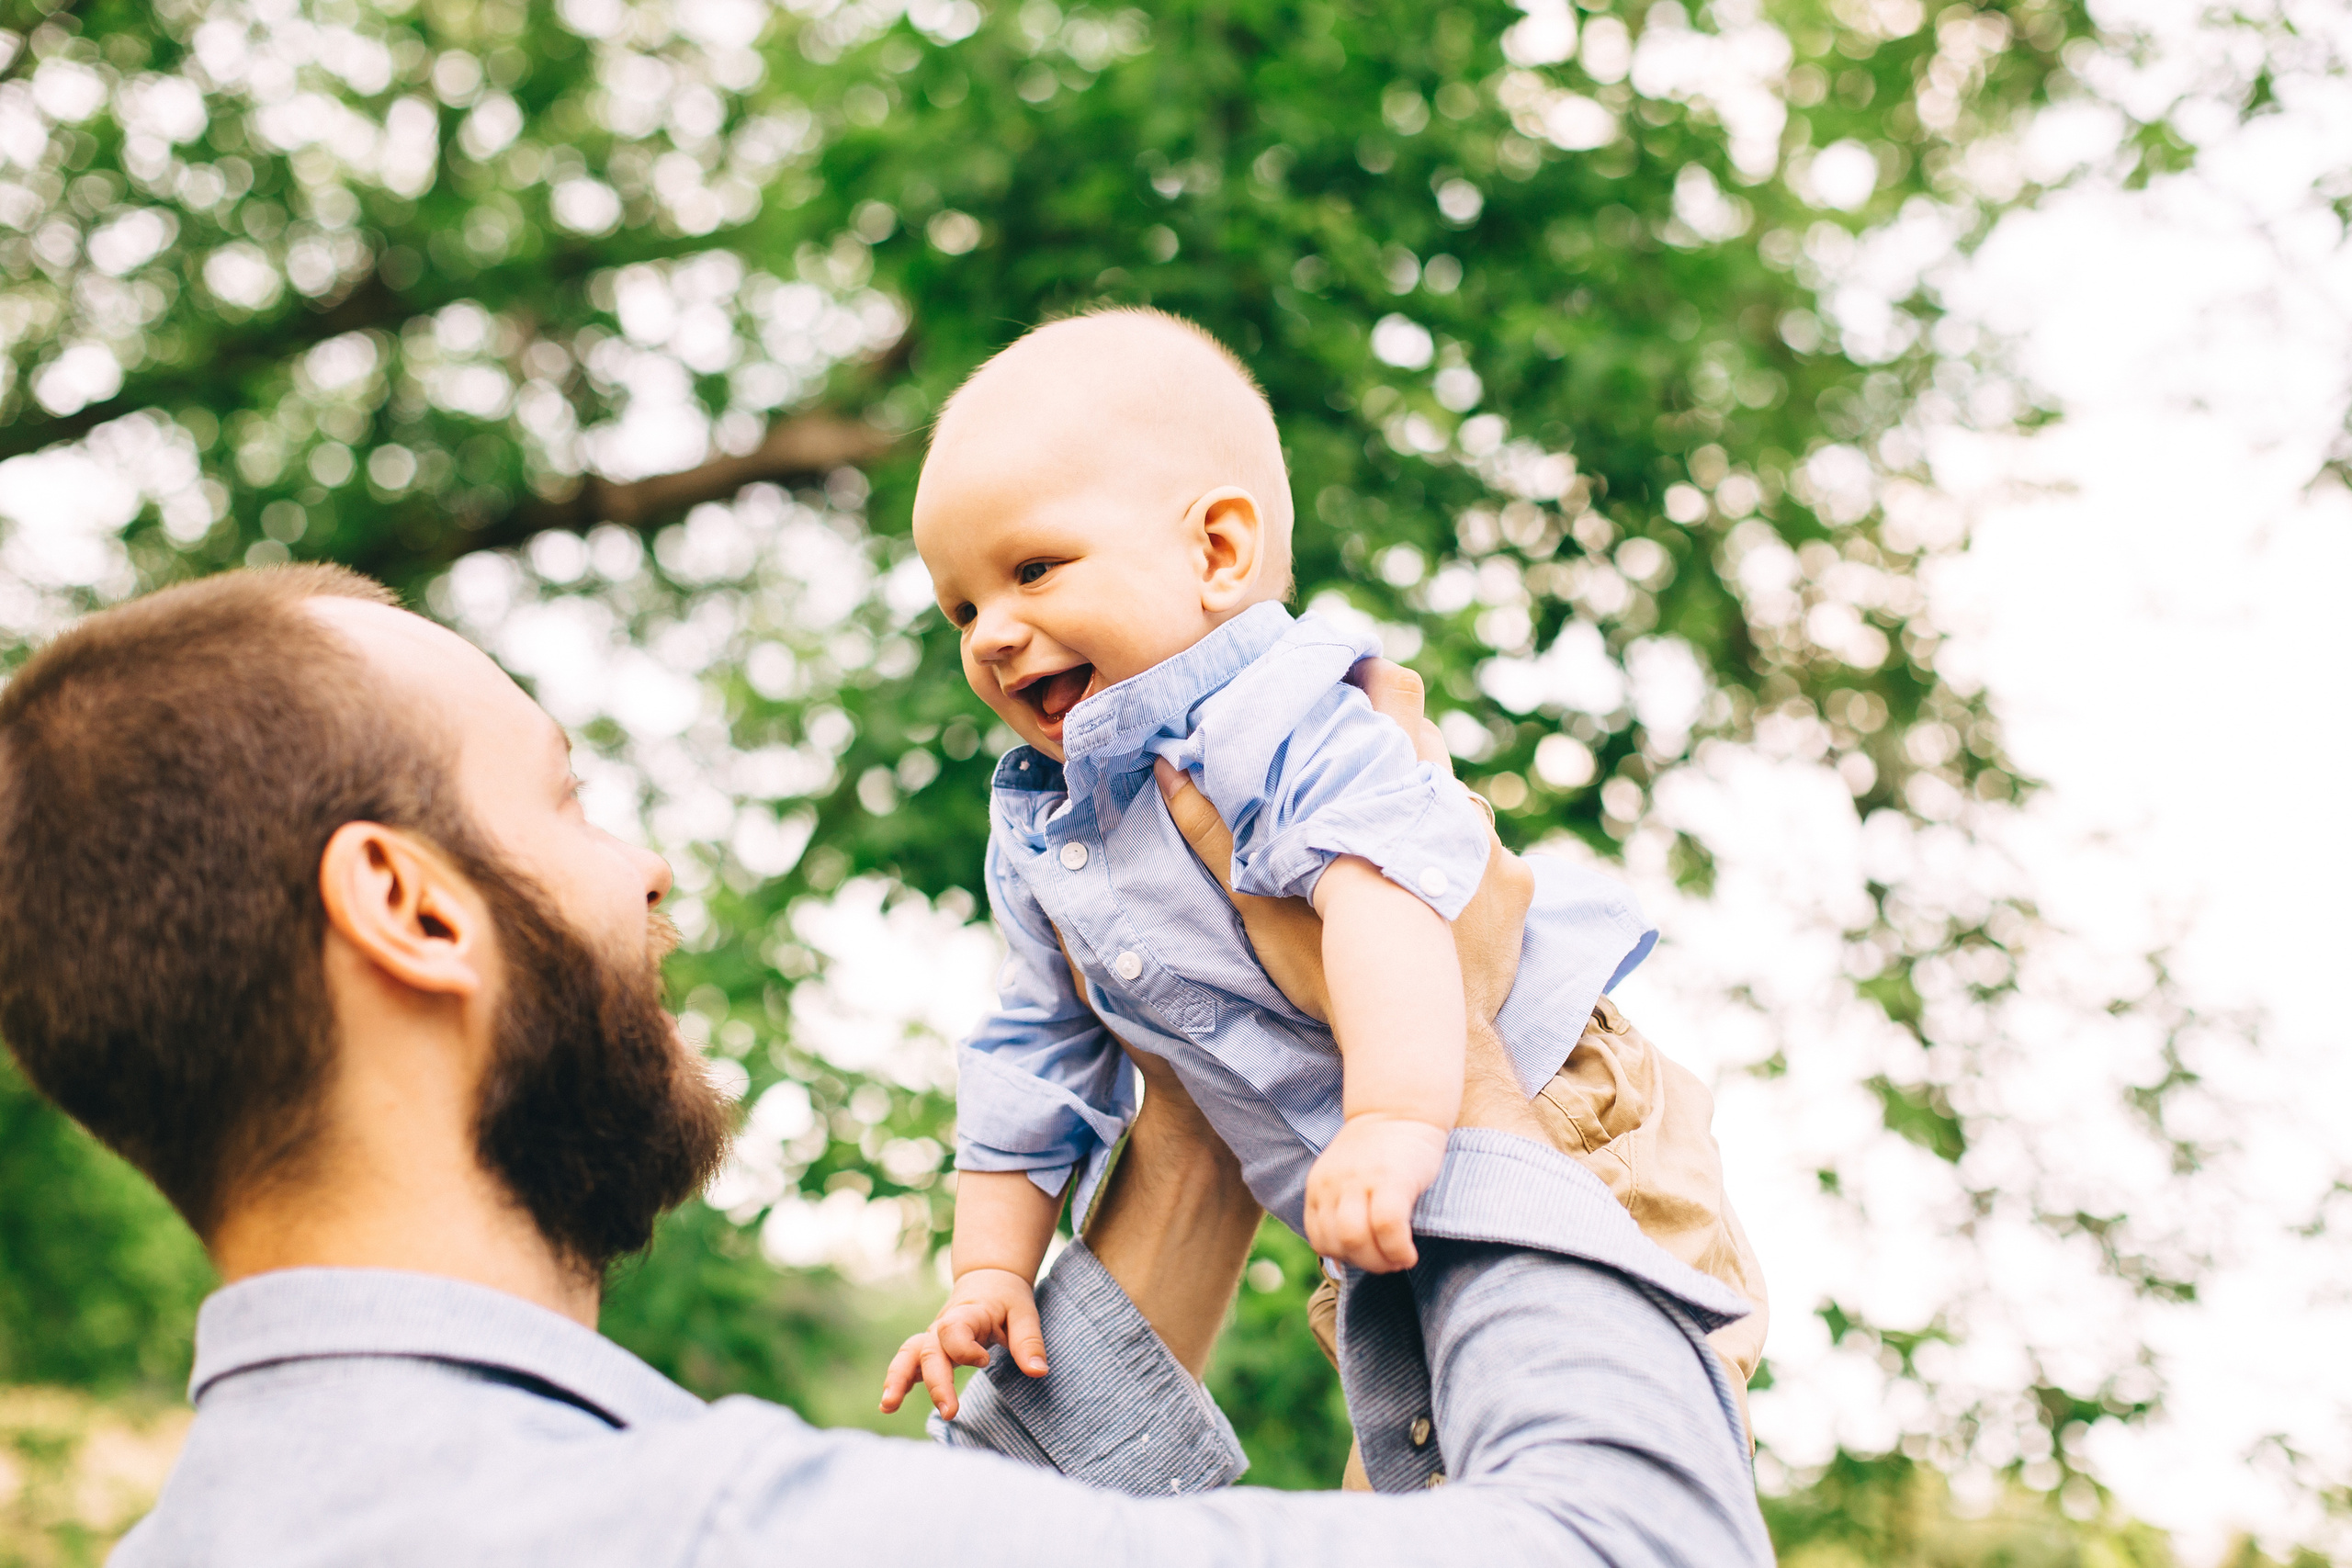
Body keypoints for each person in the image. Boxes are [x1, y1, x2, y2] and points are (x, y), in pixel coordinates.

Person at [0, 564, 1770, 1562]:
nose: (646, 869)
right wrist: (1441, 1045)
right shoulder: (681, 1529)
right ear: (409, 905)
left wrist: (1207, 1086)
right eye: (561, 802)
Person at [888, 307, 1767, 1437]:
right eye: (962, 606)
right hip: (1372, 1199)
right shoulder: (1045, 832)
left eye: (1034, 571)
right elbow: (1031, 1054)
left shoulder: (1283, 707)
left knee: (1600, 1449)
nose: (991, 634)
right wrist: (987, 1275)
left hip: (1560, 1130)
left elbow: (1381, 891)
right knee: (1413, 1506)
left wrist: (1397, 1116)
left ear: (1217, 553)